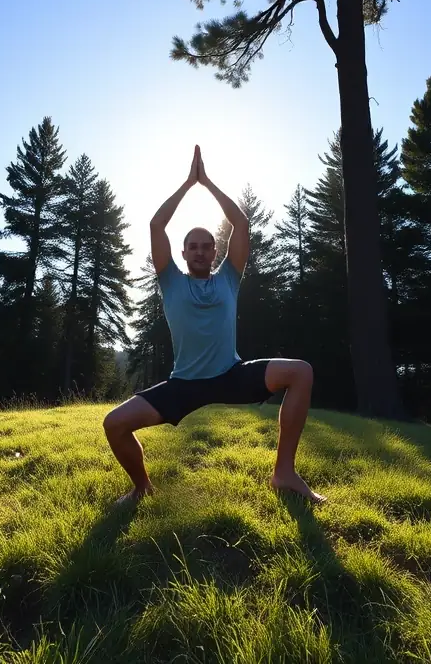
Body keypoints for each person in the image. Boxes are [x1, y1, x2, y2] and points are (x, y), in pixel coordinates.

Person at [102, 145, 325, 505]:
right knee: (114, 424)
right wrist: (188, 183)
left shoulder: (229, 278)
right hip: (184, 384)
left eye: (207, 246)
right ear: (184, 253)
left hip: (230, 375)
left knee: (301, 372)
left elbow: (241, 224)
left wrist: (207, 183)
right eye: (193, 246)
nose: (201, 251)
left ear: (215, 252)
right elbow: (156, 225)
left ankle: (284, 473)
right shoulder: (170, 280)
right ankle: (141, 487)